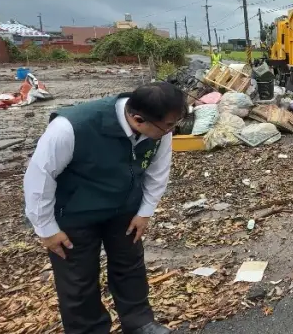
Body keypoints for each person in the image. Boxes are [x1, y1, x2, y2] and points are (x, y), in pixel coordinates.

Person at [23, 82, 187, 334]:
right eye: (168, 126)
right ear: (138, 119)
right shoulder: (70, 128)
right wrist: (46, 229)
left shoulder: (159, 129)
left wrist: (145, 212)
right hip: (74, 213)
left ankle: (139, 323)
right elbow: (39, 178)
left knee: (130, 267)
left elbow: (158, 171)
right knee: (78, 280)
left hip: (123, 208)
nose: (171, 131)